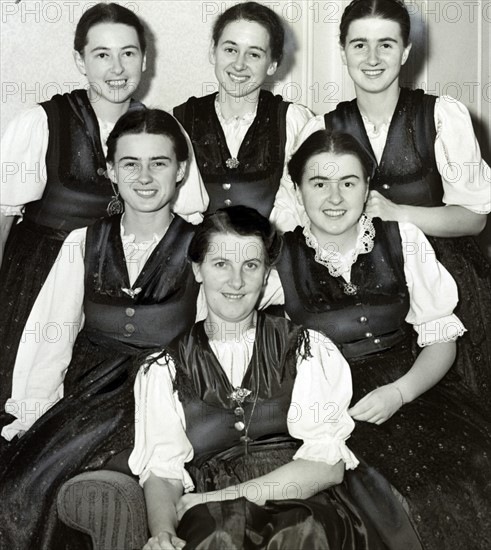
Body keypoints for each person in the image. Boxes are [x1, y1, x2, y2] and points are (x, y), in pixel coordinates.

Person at [127, 206, 422, 550]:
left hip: (301, 496)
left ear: (267, 274)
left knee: (302, 530)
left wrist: (220, 497)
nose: (236, 282)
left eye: (250, 266)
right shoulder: (164, 368)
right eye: (221, 264)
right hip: (212, 518)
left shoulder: (306, 349)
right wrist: (163, 533)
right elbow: (162, 473)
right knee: (217, 536)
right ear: (198, 269)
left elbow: (326, 468)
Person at [274, 130, 491, 550]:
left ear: (367, 188)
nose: (335, 198)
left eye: (349, 183)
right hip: (336, 403)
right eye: (319, 184)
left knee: (476, 466)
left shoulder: (401, 239)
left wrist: (399, 392)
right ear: (298, 193)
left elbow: (440, 337)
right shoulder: (279, 256)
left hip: (415, 386)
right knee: (393, 497)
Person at [0, 109, 202, 550]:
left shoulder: (203, 246)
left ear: (181, 170)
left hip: (166, 392)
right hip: (88, 391)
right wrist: (31, 414)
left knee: (105, 469)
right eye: (130, 163)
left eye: (160, 163)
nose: (144, 176)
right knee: (23, 486)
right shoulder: (83, 241)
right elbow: (51, 334)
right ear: (111, 171)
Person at [279, 0, 491, 399]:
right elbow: (296, 220)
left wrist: (398, 214)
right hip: (360, 288)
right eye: (359, 45)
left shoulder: (442, 115)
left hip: (448, 282)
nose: (372, 58)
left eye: (386, 45)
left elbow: (475, 218)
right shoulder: (319, 129)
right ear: (343, 51)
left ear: (406, 51)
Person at [0, 2, 209, 400]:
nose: (117, 69)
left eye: (128, 53)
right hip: (34, 289)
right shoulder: (43, 122)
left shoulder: (163, 130)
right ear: (80, 60)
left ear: (144, 60)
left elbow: (187, 227)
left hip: (119, 298)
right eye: (102, 55)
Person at [173, 1, 312, 229]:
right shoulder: (181, 120)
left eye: (254, 54)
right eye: (230, 50)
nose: (239, 64)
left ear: (272, 65)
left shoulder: (292, 121)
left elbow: (296, 210)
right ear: (213, 52)